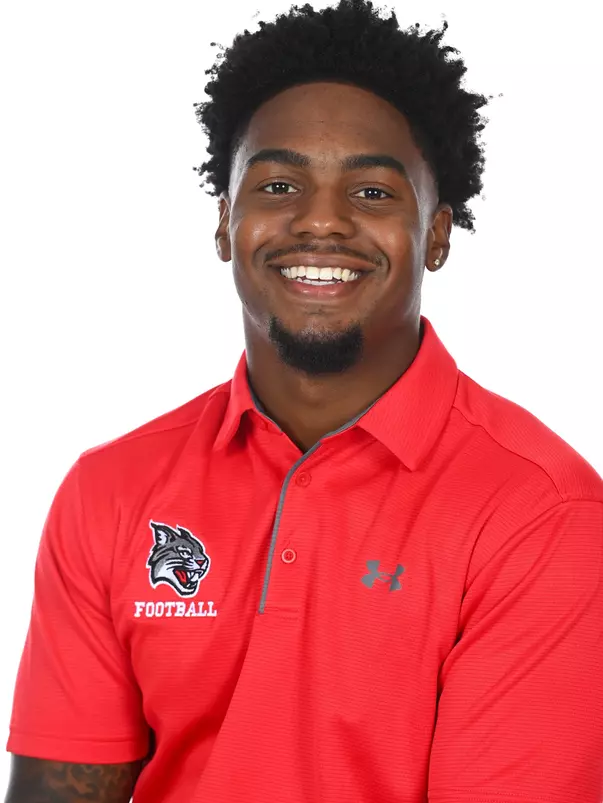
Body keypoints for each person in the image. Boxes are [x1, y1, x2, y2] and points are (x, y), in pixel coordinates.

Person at [5, 0, 603, 801]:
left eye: (372, 193)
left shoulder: (540, 512)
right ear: (225, 222)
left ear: (436, 235)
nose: (321, 221)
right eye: (280, 183)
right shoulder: (109, 489)